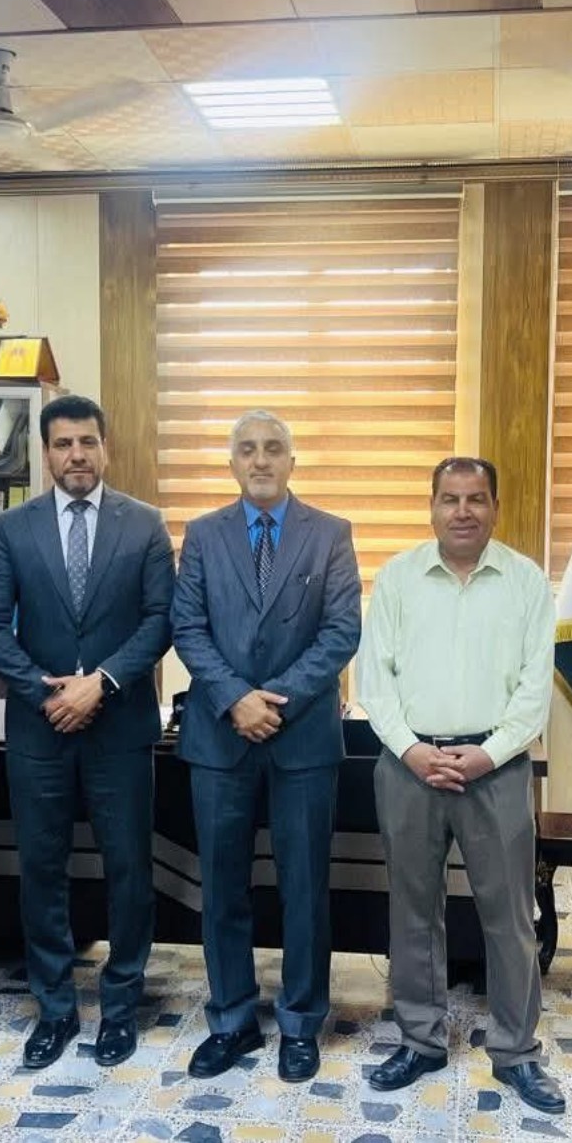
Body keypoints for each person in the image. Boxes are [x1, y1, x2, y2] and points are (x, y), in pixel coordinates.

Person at [0, 395, 174, 1070]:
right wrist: (43, 690)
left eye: (88, 442)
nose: (77, 455)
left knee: (129, 871)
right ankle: (55, 1009)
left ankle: (121, 1007)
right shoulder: (13, 527)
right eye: (63, 444)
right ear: (46, 453)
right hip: (40, 729)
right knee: (41, 869)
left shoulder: (144, 524)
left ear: (105, 447)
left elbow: (161, 620)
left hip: (121, 728)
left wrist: (102, 683)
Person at [357, 456, 564, 1115]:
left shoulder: (526, 583)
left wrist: (488, 753)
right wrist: (413, 750)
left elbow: (534, 689)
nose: (463, 511)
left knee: (511, 918)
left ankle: (516, 1051)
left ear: (495, 508)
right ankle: (420, 1041)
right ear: (432, 507)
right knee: (413, 912)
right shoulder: (397, 579)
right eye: (450, 498)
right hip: (409, 766)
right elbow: (374, 681)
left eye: (476, 498)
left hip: (496, 769)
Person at [171, 409, 361, 1084]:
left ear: (291, 461)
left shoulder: (330, 533)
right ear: (232, 463)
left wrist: (273, 700)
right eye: (247, 449)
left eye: (273, 448)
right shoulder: (203, 534)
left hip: (301, 737)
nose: (260, 460)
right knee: (222, 888)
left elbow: (341, 631)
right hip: (219, 737)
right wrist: (236, 699)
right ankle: (231, 1019)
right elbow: (187, 627)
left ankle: (302, 1022)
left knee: (304, 888)